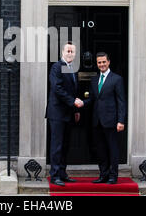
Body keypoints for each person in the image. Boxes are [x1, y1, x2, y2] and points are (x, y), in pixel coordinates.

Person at [81, 52, 126, 184]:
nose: (101, 64)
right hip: (97, 121)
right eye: (99, 62)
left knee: (112, 149)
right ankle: (103, 175)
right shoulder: (94, 80)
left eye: (103, 62)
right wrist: (82, 102)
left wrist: (121, 120)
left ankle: (113, 176)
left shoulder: (117, 79)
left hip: (112, 121)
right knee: (100, 150)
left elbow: (121, 101)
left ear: (109, 62)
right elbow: (92, 99)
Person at [45, 42, 83, 186]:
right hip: (57, 114)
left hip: (68, 113)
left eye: (72, 51)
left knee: (65, 145)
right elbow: (57, 88)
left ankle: (62, 173)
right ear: (62, 52)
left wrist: (76, 110)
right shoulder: (56, 67)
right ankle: (54, 176)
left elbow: (73, 91)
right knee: (57, 145)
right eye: (68, 51)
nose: (70, 53)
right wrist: (73, 102)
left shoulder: (72, 68)